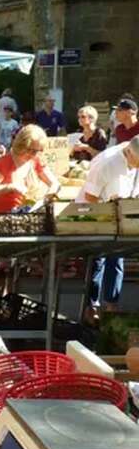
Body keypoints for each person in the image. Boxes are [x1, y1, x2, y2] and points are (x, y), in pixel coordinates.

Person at [76, 135, 139, 322]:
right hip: (96, 213)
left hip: (120, 214)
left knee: (116, 260)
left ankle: (111, 306)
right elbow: (90, 197)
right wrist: (109, 213)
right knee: (98, 260)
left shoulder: (134, 158)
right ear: (129, 153)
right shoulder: (106, 163)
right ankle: (91, 307)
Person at [0, 124, 59, 212]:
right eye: (31, 150)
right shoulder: (4, 162)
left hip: (23, 214)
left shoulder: (35, 160)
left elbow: (54, 183)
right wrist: (10, 187)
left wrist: (49, 194)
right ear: (21, 145)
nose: (34, 154)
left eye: (39, 151)